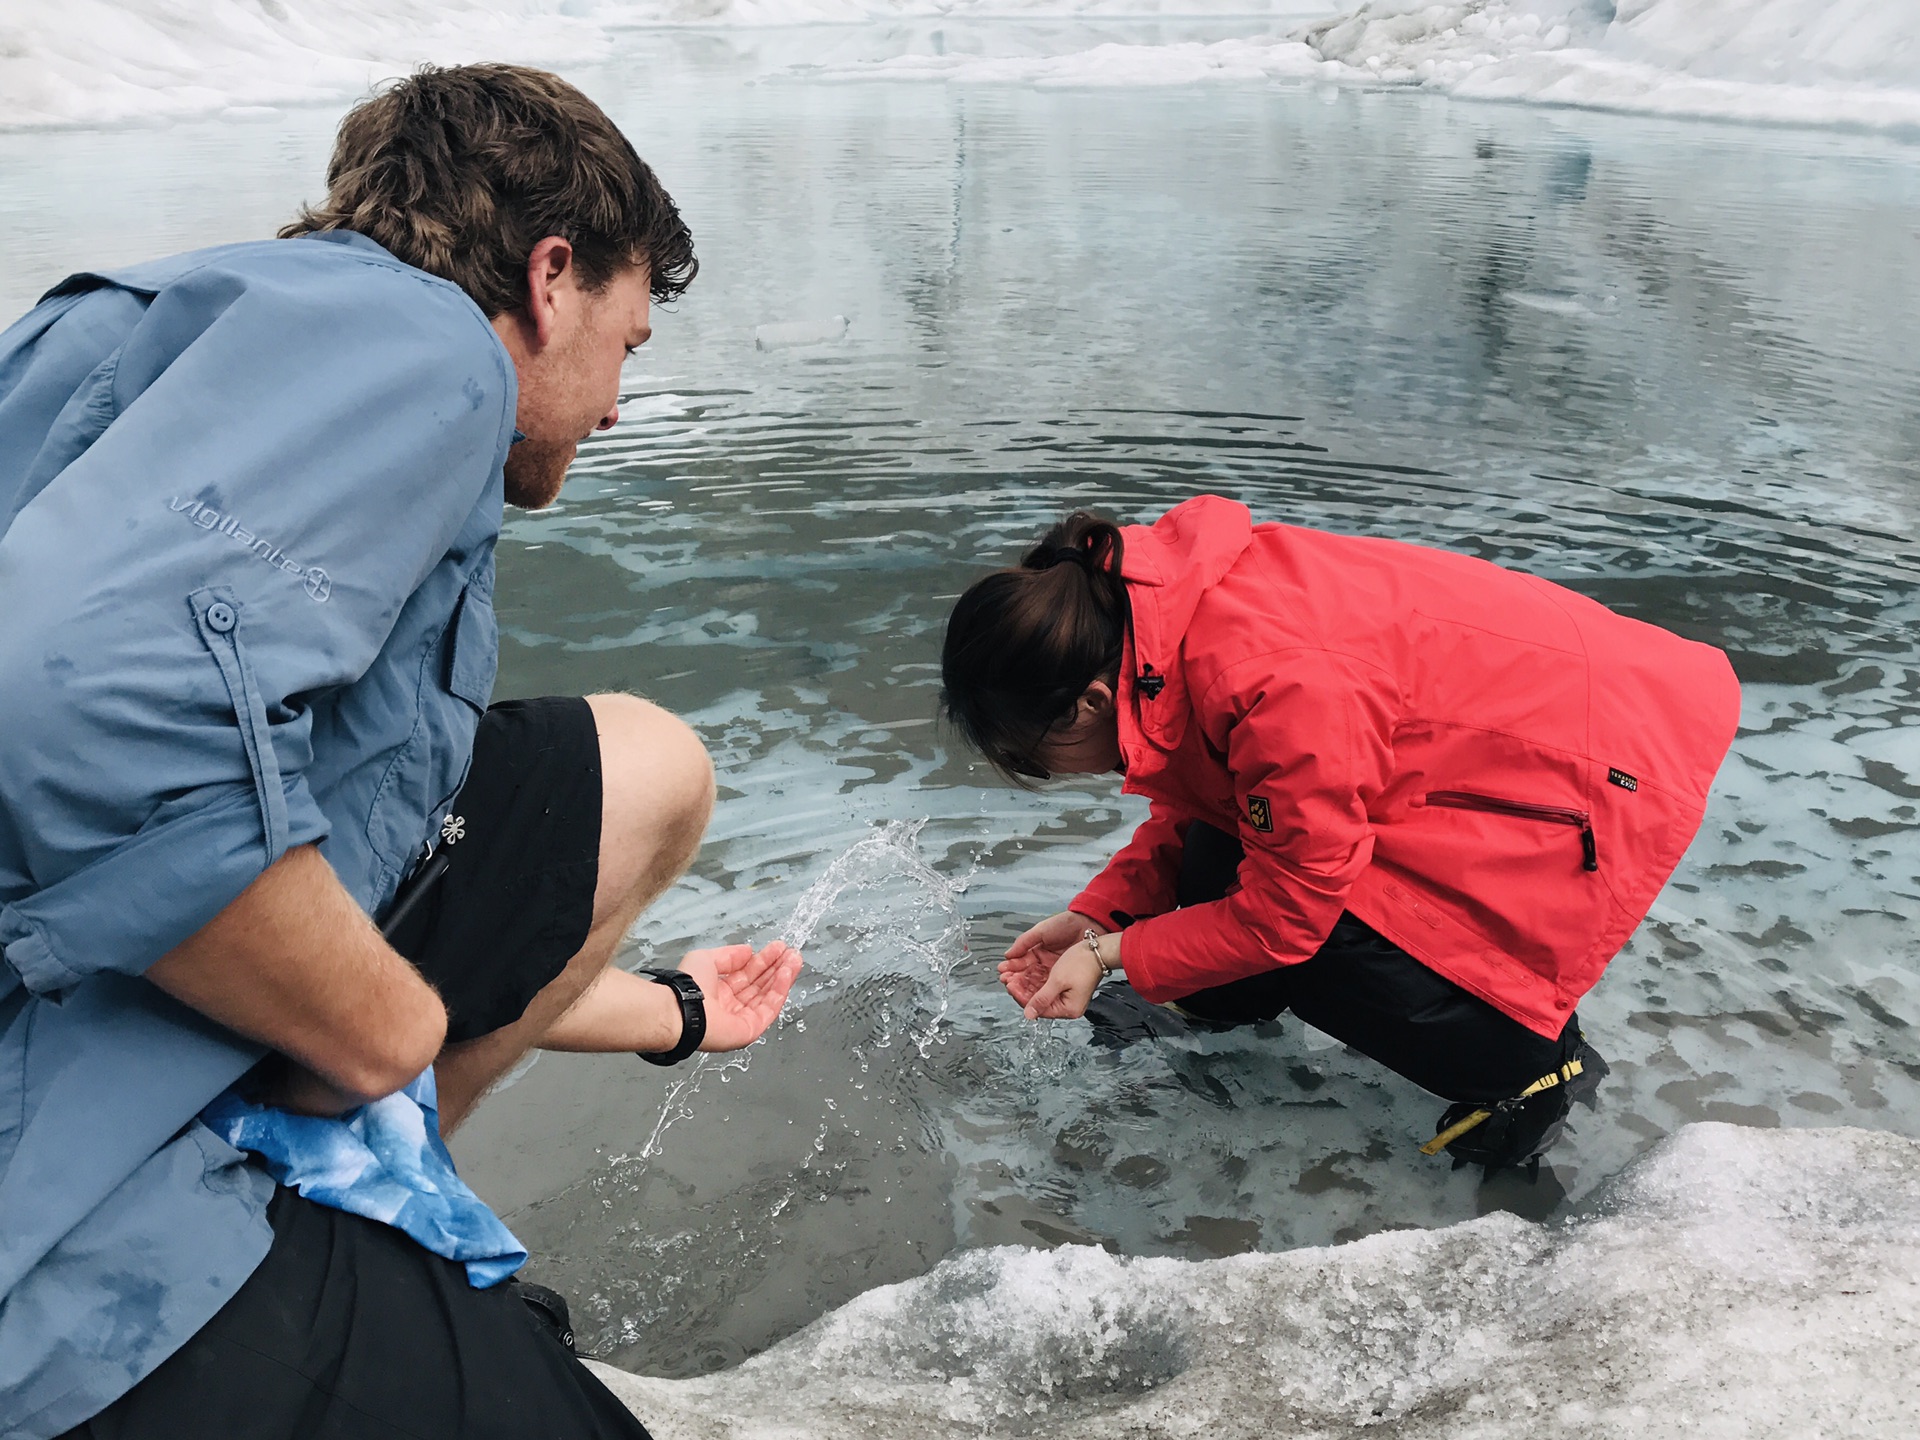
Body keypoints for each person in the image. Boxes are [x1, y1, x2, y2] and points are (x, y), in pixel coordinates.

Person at [0, 65, 801, 1440]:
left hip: (92, 1005)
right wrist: (388, 1036)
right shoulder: (429, 350)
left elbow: (333, 817)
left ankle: (371, 1219)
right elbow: (64, 708)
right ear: (551, 277)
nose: (614, 406)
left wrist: (664, 1010)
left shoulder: (173, 321)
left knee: (632, 769)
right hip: (60, 1247)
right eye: (627, 343)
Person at [942, 495, 1741, 1172]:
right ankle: (1226, 1014)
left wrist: (1111, 956)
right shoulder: (1161, 620)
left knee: (1318, 942)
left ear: (1084, 702)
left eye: (1035, 759)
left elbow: (1293, 914)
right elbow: (1212, 799)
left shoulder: (1274, 675)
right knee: (1230, 853)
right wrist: (1104, 915)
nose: (1058, 775)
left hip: (1598, 765)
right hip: (1501, 734)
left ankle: (1532, 1068)